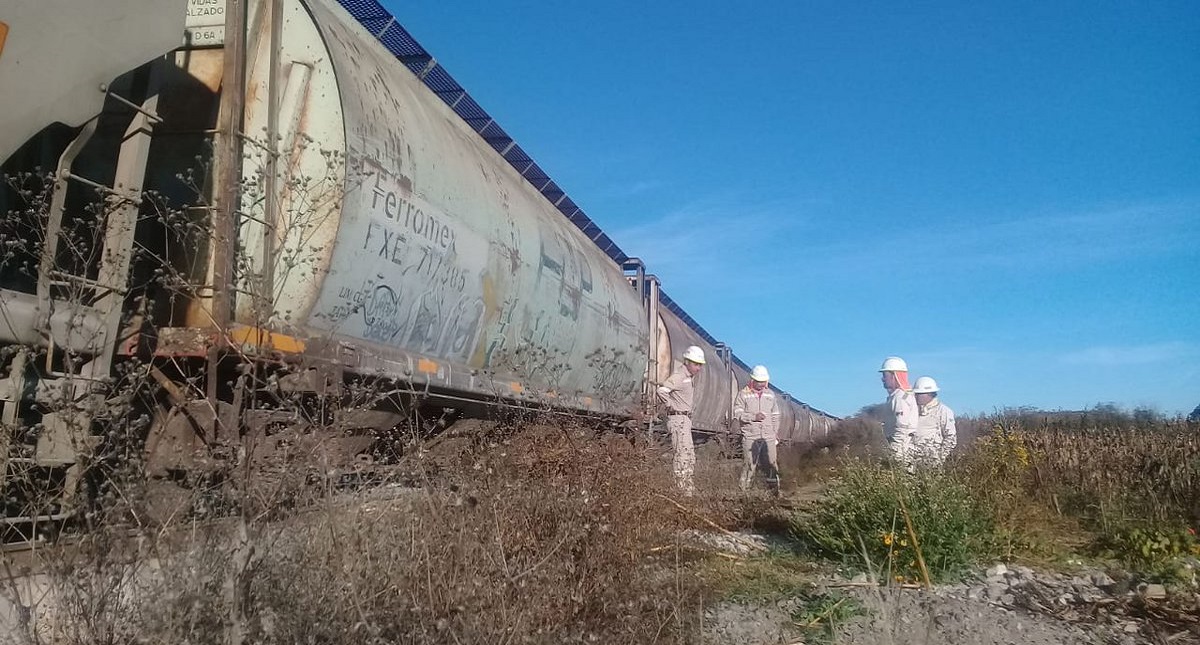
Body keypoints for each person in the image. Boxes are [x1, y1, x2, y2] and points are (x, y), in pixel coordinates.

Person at [657, 345, 705, 496]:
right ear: (687, 362)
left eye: (700, 365)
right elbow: (662, 390)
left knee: (689, 454)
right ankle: (681, 489)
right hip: (678, 419)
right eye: (696, 364)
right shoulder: (680, 376)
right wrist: (671, 405)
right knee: (682, 454)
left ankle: (687, 488)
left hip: (684, 420)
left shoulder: (688, 377)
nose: (698, 368)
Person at [734, 365, 781, 494]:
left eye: (764, 381)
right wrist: (753, 417)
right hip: (750, 435)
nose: (762, 384)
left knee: (771, 464)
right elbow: (737, 413)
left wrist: (775, 432)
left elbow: (775, 415)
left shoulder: (771, 395)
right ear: (752, 380)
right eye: (759, 382)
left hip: (768, 437)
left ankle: (774, 492)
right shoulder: (743, 394)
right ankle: (744, 493)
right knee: (749, 465)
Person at [879, 356, 918, 468]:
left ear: (894, 376)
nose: (882, 379)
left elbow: (902, 429)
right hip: (900, 449)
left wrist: (894, 454)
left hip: (902, 452)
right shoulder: (895, 397)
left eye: (885, 375)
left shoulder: (900, 398)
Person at [912, 376, 957, 466]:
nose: (916, 396)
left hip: (932, 463)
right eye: (915, 394)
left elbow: (951, 438)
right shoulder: (912, 411)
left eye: (919, 394)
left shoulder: (944, 411)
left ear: (929, 394)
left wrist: (939, 459)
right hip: (913, 462)